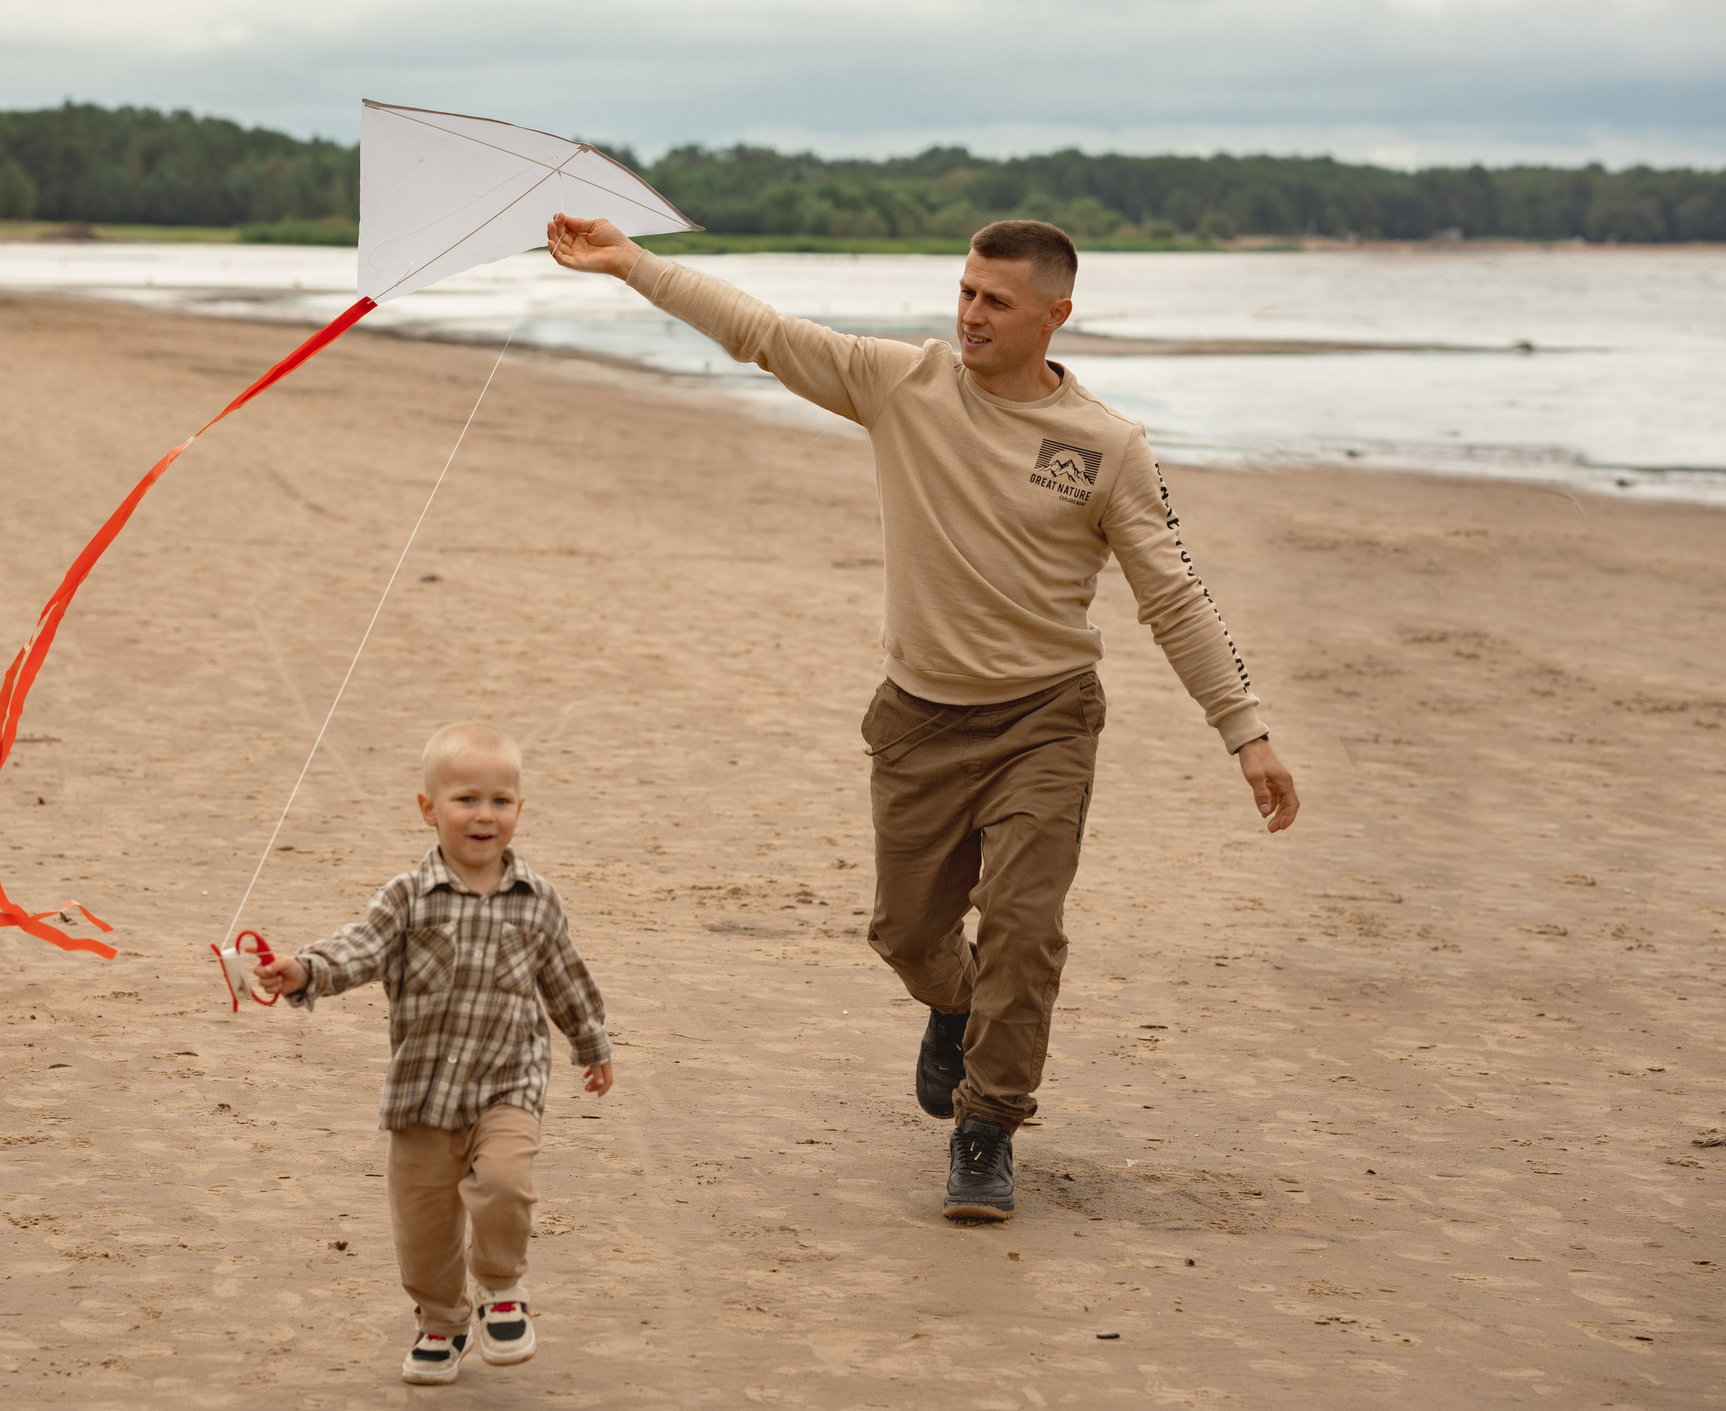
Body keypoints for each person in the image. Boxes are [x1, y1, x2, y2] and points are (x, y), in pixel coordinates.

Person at [544, 212, 1299, 1223]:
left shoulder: (1108, 448)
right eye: (964, 293)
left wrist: (1242, 732)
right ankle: (953, 1000)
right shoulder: (901, 386)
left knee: (1025, 930)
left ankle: (987, 1128)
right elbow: (761, 333)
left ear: (1054, 316)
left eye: (995, 301)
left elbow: (1172, 596)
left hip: (1045, 722)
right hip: (918, 722)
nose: (970, 315)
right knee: (906, 934)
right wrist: (632, 265)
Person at [253, 721, 613, 1385]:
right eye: (466, 799)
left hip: (508, 1083)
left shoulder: (537, 901)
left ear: (519, 810)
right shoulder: (407, 897)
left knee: (505, 1184)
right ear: (429, 809)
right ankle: (442, 1322)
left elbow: (565, 975)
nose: (485, 814)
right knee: (424, 1232)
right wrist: (303, 970)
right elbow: (359, 947)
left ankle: (502, 1288)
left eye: (501, 800)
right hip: (422, 1092)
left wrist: (590, 1042)